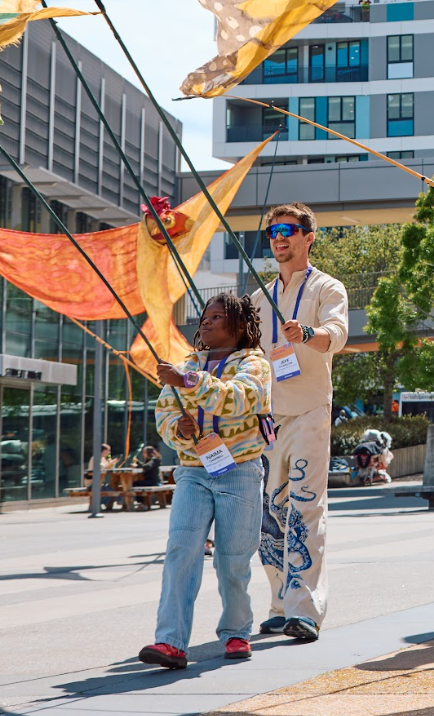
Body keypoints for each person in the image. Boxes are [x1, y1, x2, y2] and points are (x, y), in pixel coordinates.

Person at [139, 293, 273, 670]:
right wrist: (179, 431)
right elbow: (164, 416)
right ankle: (170, 642)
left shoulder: (255, 363)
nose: (206, 323)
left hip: (241, 471)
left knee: (233, 559)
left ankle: (236, 632)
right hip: (193, 473)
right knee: (181, 550)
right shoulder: (186, 364)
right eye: (204, 317)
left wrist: (188, 381)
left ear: (240, 326)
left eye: (217, 317)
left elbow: (239, 400)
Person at [250, 203, 350, 644]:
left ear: (309, 236)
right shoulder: (257, 298)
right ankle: (278, 604)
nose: (278, 238)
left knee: (306, 506)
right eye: (272, 232)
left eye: (288, 230)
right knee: (269, 514)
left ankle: (303, 609)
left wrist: (306, 335)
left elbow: (337, 335)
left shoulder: (328, 287)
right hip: (268, 416)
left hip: (310, 409)